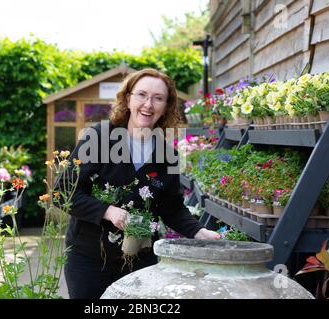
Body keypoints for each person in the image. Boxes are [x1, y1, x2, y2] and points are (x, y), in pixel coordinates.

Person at [63, 68, 220, 299]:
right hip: (89, 261)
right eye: (142, 95)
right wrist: (107, 211)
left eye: (158, 98)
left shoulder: (168, 155)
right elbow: (63, 193)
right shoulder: (98, 138)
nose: (148, 104)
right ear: (128, 98)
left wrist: (199, 232)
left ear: (166, 106)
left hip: (140, 263)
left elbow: (172, 207)